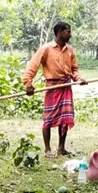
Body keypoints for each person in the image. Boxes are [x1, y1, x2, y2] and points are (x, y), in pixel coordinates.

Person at [23, 22, 87, 157]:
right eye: (68, 32)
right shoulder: (46, 49)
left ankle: (61, 148)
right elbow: (32, 66)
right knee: (49, 118)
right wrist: (28, 83)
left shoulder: (70, 50)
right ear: (59, 33)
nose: (70, 34)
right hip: (52, 87)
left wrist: (78, 79)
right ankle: (47, 149)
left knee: (65, 118)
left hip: (66, 86)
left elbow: (74, 70)